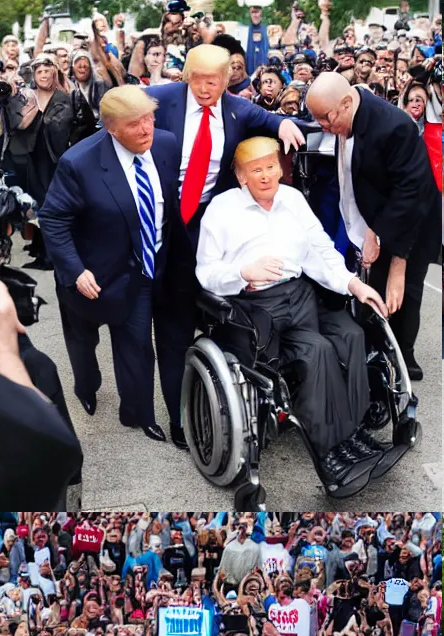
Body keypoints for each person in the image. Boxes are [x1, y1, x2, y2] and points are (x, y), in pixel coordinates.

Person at [195, 137, 388, 485]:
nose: (267, 175)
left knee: (351, 335)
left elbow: (320, 250)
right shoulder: (222, 211)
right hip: (254, 307)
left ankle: (353, 431)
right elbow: (205, 273)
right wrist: (242, 273)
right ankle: (329, 446)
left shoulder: (293, 199)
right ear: (241, 177)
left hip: (299, 296)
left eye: (271, 166)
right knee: (317, 351)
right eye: (256, 170)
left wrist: (353, 285)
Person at [147, 44, 307, 448]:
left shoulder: (237, 109)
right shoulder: (160, 99)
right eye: (197, 79)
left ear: (227, 80)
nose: (204, 88)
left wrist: (284, 125)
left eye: (213, 81)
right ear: (186, 76)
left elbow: (268, 118)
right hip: (159, 221)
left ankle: (228, 392)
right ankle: (180, 418)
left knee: (206, 308)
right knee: (170, 328)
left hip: (203, 225)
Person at [39, 87, 178, 441]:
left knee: (137, 345)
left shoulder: (165, 144)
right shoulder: (79, 162)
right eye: (136, 124)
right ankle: (86, 387)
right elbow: (53, 219)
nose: (147, 129)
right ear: (112, 129)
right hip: (91, 273)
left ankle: (138, 412)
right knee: (83, 341)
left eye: (150, 118)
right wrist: (74, 270)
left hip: (141, 268)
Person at [304, 73, 441, 381]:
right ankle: (376, 355)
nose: (323, 126)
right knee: (373, 290)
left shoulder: (393, 127)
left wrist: (397, 261)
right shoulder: (345, 115)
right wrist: (369, 232)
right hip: (374, 216)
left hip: (412, 223)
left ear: (347, 102)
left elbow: (409, 195)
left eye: (326, 118)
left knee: (401, 294)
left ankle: (401, 356)